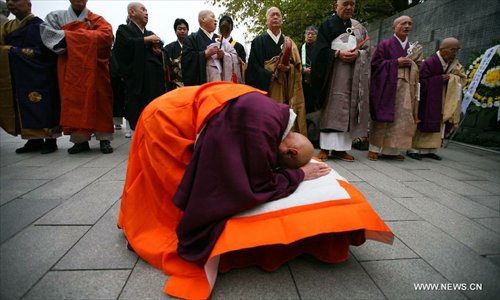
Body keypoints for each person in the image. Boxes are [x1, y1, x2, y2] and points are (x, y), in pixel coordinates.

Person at [118, 82, 393, 299]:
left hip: (178, 106)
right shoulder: (262, 133)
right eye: (281, 162)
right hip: (165, 120)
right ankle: (145, 227)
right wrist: (296, 175)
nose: (273, 165)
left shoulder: (277, 116)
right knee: (169, 184)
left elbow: (241, 156)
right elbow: (252, 186)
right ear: (289, 149)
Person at [40, 0, 114, 154]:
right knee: (74, 102)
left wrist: (71, 36)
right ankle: (80, 141)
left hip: (96, 68)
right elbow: (49, 36)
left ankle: (104, 139)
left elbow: (106, 37)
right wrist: (86, 35)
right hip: (70, 68)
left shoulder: (96, 19)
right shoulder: (56, 17)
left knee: (101, 102)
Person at [311, 0, 370, 162]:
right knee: (332, 109)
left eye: (352, 4)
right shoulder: (327, 25)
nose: (349, 7)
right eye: (345, 4)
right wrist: (336, 54)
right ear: (336, 6)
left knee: (348, 109)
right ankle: (325, 148)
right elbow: (319, 51)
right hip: (333, 74)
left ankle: (341, 150)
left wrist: (358, 55)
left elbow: (367, 50)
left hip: (353, 74)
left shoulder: (358, 27)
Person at [0, 0, 61, 154]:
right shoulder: (7, 27)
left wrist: (14, 51)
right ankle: (33, 140)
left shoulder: (40, 26)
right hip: (20, 75)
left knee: (43, 105)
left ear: (28, 5)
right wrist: (9, 51)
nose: (11, 4)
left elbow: (47, 51)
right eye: (8, 2)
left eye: (15, 1)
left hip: (41, 73)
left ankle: (50, 140)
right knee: (24, 106)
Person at [246, 7, 307, 136]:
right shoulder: (258, 42)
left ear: (282, 21)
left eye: (278, 15)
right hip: (268, 88)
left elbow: (297, 67)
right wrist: (272, 73)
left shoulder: (288, 42)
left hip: (286, 89)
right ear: (266, 20)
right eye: (272, 15)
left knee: (286, 119)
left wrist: (288, 68)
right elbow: (252, 68)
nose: (275, 17)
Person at [368, 15, 421, 161]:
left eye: (410, 24)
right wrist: (395, 62)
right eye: (403, 23)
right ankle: (374, 147)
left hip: (405, 85)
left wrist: (413, 65)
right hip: (386, 84)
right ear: (394, 28)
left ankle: (391, 150)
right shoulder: (385, 44)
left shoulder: (412, 47)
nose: (407, 26)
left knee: (401, 118)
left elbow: (419, 66)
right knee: (383, 116)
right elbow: (375, 65)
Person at [407, 37, 467, 160]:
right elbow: (421, 81)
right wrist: (440, 79)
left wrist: (452, 79)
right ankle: (414, 148)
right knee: (424, 120)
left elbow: (462, 78)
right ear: (442, 49)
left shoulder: (454, 63)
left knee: (439, 121)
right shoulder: (430, 62)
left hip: (443, 97)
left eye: (457, 50)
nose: (454, 53)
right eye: (452, 50)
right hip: (427, 99)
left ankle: (430, 149)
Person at [113, 2, 166, 136]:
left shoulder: (150, 33)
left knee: (154, 117)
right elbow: (124, 47)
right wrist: (146, 40)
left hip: (154, 85)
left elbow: (162, 54)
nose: (146, 13)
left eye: (147, 10)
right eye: (143, 10)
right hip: (137, 84)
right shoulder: (123, 30)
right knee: (138, 119)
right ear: (132, 12)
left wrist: (159, 52)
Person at [181, 10, 219, 85]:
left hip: (219, 82)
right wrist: (204, 54)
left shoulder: (219, 39)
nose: (216, 20)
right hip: (201, 85)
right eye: (212, 17)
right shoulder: (191, 39)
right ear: (203, 19)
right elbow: (186, 61)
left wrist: (223, 55)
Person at [164, 18, 188, 90]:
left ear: (187, 31)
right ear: (175, 31)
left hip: (191, 83)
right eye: (179, 29)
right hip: (175, 85)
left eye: (184, 29)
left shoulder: (193, 46)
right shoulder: (168, 48)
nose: (182, 31)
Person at [301, 25, 318, 114]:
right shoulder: (299, 49)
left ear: (316, 36)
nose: (310, 36)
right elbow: (294, 65)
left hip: (317, 83)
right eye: (308, 34)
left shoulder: (320, 49)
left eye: (312, 34)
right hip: (304, 83)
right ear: (305, 36)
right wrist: (303, 71)